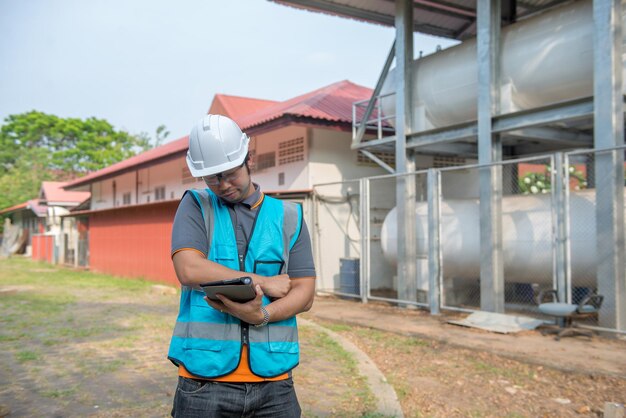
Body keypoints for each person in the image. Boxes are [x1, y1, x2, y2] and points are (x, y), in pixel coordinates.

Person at [168, 114, 316, 417]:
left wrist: (262, 314)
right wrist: (263, 280)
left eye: (230, 173)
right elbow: (189, 269)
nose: (223, 184)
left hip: (274, 384)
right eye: (212, 177)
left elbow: (305, 292)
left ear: (249, 159)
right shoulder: (196, 205)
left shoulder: (289, 216)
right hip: (203, 383)